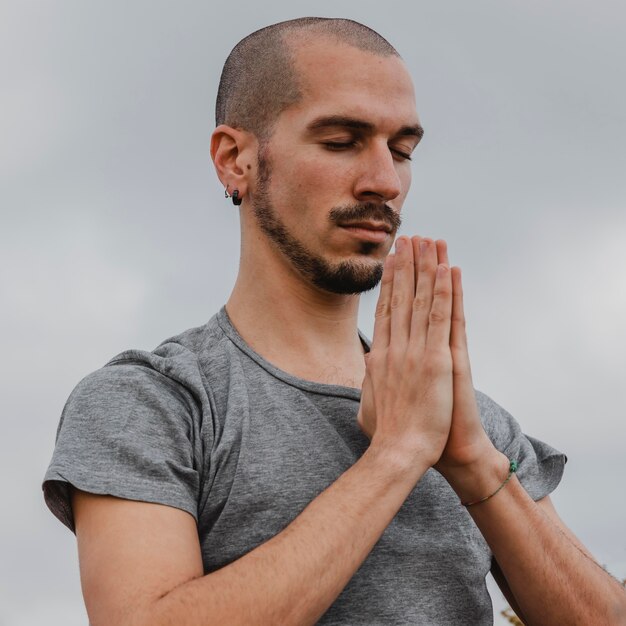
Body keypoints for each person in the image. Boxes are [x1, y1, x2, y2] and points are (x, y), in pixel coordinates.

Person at [43, 17, 625, 626]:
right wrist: (396, 455)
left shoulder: (466, 420)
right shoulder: (154, 404)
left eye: (401, 151)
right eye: (341, 141)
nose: (384, 181)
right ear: (235, 159)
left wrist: (473, 460)